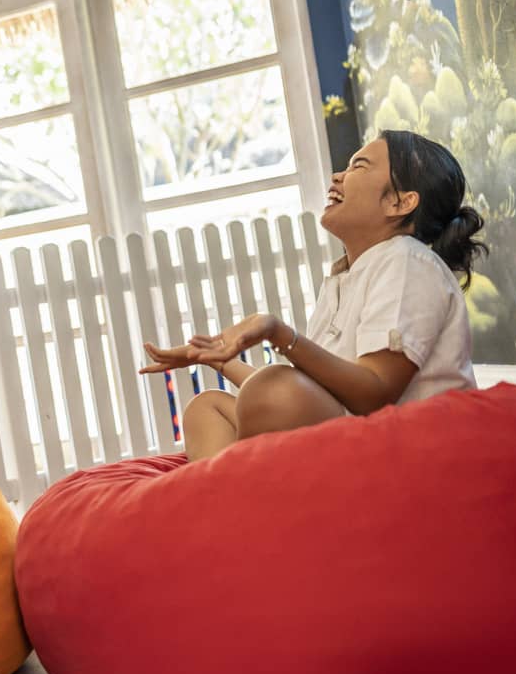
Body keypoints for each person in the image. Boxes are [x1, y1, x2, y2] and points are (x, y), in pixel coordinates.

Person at [140, 130, 485, 461]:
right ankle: (236, 503)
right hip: (349, 429)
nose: (337, 176)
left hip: (400, 444)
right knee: (208, 407)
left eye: (358, 166)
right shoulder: (346, 276)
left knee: (275, 388)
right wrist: (216, 358)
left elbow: (374, 392)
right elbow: (309, 395)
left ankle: (242, 497)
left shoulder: (408, 260)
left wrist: (276, 331)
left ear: (400, 202)